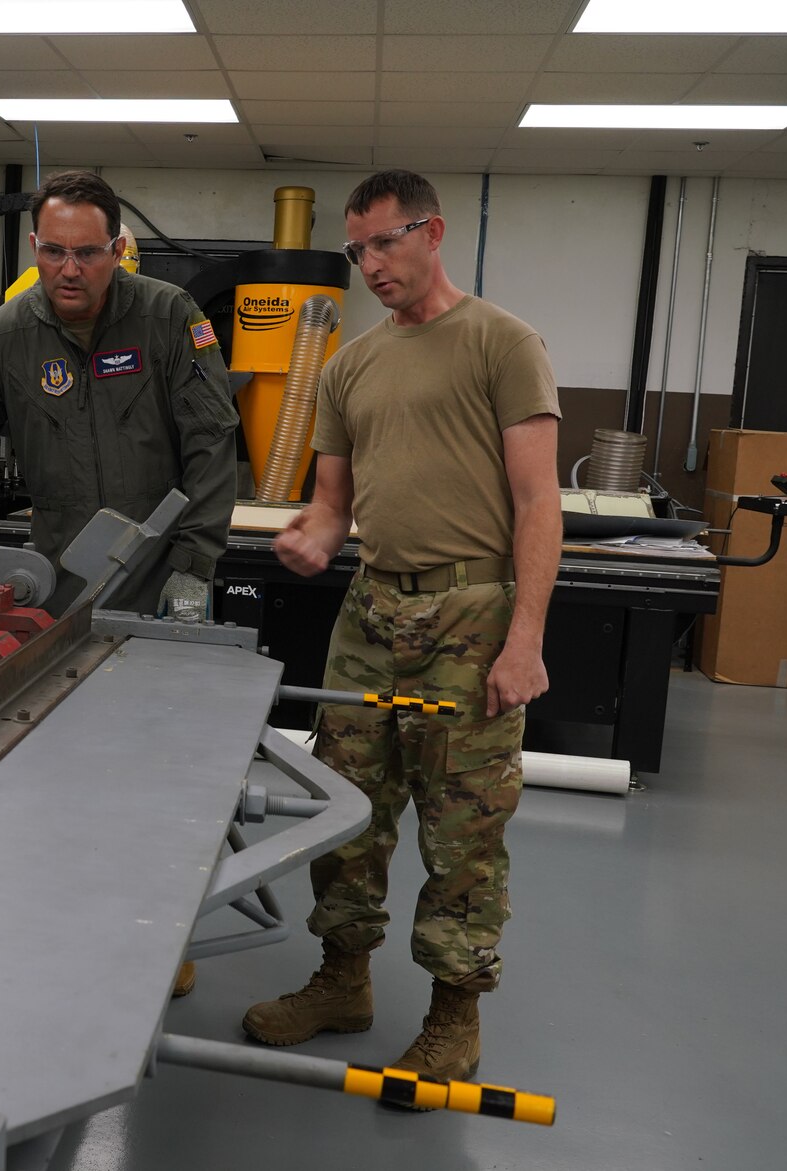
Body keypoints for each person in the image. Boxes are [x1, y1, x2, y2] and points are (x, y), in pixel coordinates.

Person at [240, 170, 561, 1091]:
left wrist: (526, 637)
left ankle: (453, 1019)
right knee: (344, 809)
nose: (371, 265)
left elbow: (540, 501)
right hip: (370, 611)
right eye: (357, 250)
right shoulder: (349, 364)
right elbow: (333, 503)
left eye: (386, 242)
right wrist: (312, 532)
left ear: (434, 232)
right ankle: (343, 981)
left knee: (462, 826)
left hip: (472, 611)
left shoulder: (504, 343)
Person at [0, 170, 239, 627]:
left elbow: (210, 443)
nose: (69, 270)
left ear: (116, 251)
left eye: (88, 253)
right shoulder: (2, 339)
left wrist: (194, 567)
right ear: (34, 246)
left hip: (162, 574)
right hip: (59, 579)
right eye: (54, 252)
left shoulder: (170, 318)